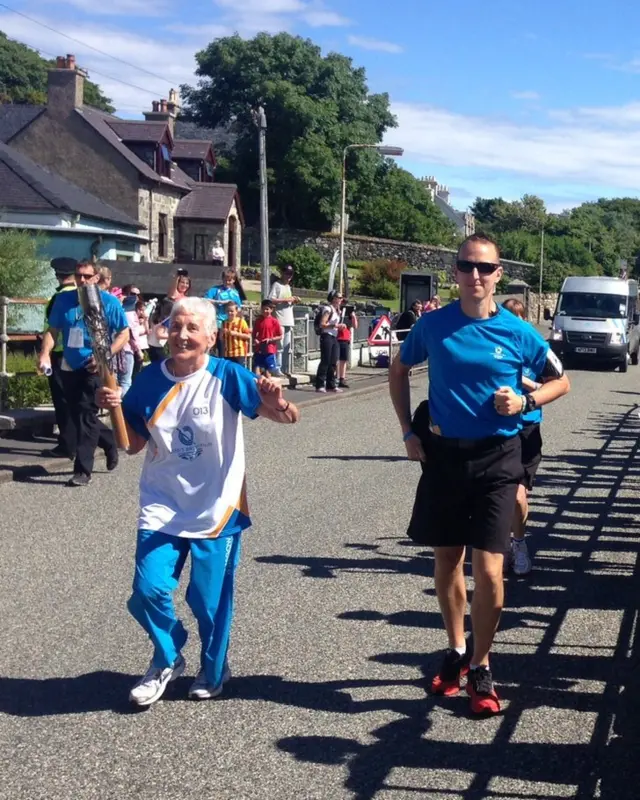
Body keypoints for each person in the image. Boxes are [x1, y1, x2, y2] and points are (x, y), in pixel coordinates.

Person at [389, 233, 570, 716]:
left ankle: (482, 663)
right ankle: (455, 650)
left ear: (497, 275)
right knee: (448, 559)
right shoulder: (433, 326)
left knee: (489, 568)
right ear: (455, 272)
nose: (475, 276)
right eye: (467, 266)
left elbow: (562, 380)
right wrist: (409, 431)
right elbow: (397, 369)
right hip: (445, 457)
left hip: (498, 456)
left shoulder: (518, 332)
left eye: (485, 269)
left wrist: (526, 400)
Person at [95, 296, 300, 707]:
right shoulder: (150, 380)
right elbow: (133, 445)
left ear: (211, 336)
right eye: (176, 326)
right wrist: (114, 411)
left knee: (209, 600)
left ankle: (213, 665)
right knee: (147, 590)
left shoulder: (227, 375)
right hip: (163, 504)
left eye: (192, 328)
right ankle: (168, 656)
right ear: (165, 331)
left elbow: (287, 416)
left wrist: (277, 400)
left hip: (216, 508)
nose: (182, 335)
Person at [38, 260, 130, 487]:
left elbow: (124, 333)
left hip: (95, 366)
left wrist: (104, 354)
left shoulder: (108, 302)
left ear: (96, 278)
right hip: (70, 364)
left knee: (86, 415)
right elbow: (53, 330)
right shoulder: (64, 300)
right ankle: (108, 441)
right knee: (76, 413)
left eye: (87, 276)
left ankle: (82, 470)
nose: (82, 280)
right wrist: (45, 354)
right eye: (79, 276)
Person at [502, 298, 543, 576]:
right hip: (500, 428)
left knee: (518, 496)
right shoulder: (495, 344)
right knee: (498, 493)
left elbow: (549, 386)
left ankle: (519, 543)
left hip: (527, 429)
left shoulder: (533, 345)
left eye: (517, 317)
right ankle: (500, 541)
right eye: (508, 316)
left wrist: (521, 381)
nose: (513, 323)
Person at [41, 257, 78, 459]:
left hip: (58, 351)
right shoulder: (77, 293)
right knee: (72, 398)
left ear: (58, 275)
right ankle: (74, 441)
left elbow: (52, 326)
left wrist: (44, 351)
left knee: (62, 400)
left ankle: (67, 444)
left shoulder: (60, 296)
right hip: (73, 352)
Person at [269, 264, 300, 377]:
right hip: (279, 318)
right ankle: (277, 368)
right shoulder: (277, 285)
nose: (288, 276)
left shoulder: (288, 287)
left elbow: (288, 301)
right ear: (282, 273)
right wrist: (285, 299)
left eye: (290, 274)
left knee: (287, 345)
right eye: (287, 273)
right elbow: (271, 299)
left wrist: (294, 300)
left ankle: (284, 367)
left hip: (288, 319)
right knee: (280, 345)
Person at [204, 269, 242, 358]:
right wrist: (218, 302)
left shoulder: (235, 293)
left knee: (224, 346)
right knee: (212, 343)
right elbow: (205, 299)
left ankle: (223, 361)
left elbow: (239, 308)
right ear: (222, 279)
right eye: (225, 279)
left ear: (233, 280)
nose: (227, 282)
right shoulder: (215, 289)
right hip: (217, 321)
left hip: (229, 323)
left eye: (230, 280)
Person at [315, 290, 346, 394]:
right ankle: (319, 384)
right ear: (333, 298)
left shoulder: (337, 310)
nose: (341, 299)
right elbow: (322, 324)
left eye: (341, 297)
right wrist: (336, 326)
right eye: (339, 297)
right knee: (325, 360)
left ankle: (331, 385)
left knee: (333, 361)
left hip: (334, 336)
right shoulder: (328, 309)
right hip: (326, 336)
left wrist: (340, 327)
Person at [253, 299, 283, 378]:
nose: (265, 311)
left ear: (271, 310)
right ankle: (257, 387)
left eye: (267, 309)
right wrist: (255, 339)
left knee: (268, 371)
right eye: (263, 309)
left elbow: (280, 336)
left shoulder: (274, 321)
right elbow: (254, 333)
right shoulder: (258, 320)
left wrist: (270, 339)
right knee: (257, 368)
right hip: (259, 348)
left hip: (269, 349)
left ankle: (268, 388)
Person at [221, 302, 251, 368]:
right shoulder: (223, 323)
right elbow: (222, 339)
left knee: (240, 371)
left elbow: (248, 336)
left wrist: (236, 334)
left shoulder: (241, 322)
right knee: (229, 372)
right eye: (228, 311)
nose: (229, 313)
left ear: (236, 311)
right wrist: (222, 333)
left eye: (231, 311)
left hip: (239, 352)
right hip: (228, 353)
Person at [337, 301, 358, 389]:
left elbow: (355, 326)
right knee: (336, 360)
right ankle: (335, 377)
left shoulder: (349, 315)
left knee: (343, 360)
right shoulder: (335, 312)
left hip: (345, 338)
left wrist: (353, 317)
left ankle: (342, 378)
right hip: (337, 338)